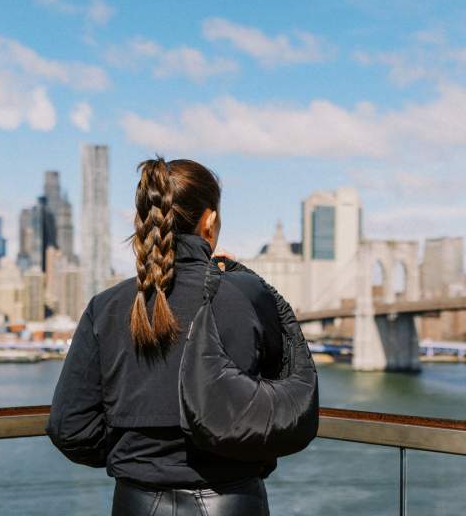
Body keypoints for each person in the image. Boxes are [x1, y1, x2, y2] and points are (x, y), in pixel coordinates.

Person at [47, 157, 314, 516]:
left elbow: (70, 428)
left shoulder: (105, 307)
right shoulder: (249, 296)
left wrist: (136, 457)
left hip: (136, 503)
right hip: (233, 502)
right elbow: (284, 402)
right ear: (209, 220)